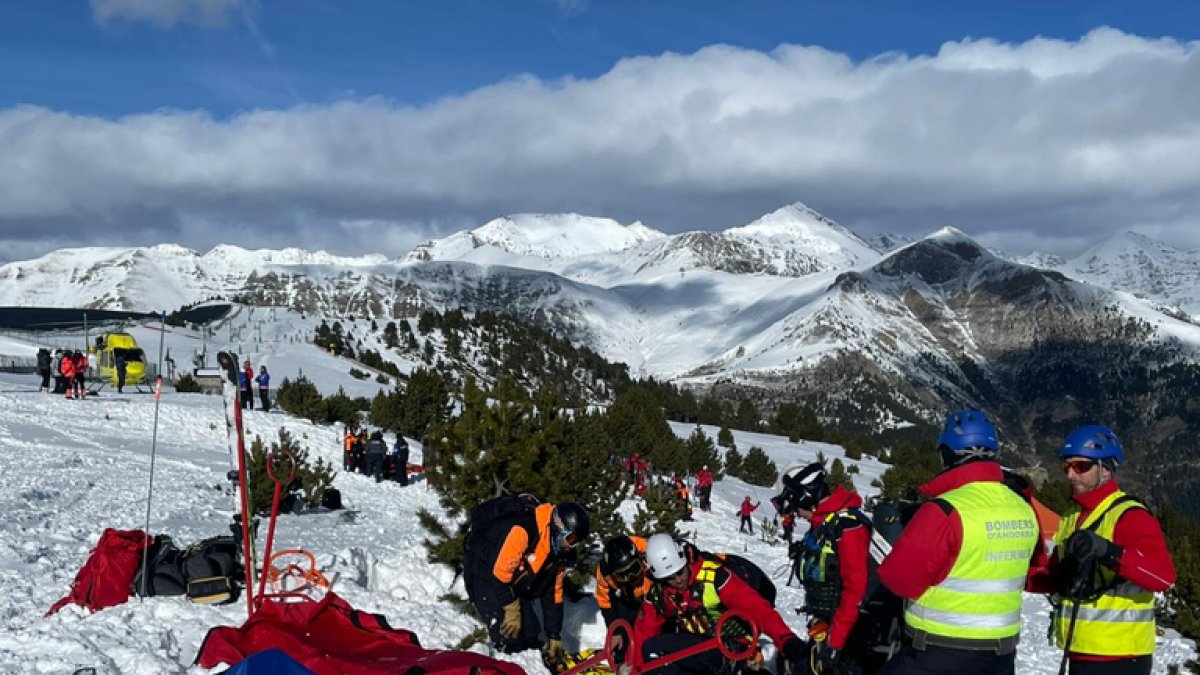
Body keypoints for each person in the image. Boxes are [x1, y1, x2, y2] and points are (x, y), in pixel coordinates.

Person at [877, 411, 1039, 675]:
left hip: (940, 653)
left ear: (947, 455)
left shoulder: (944, 511)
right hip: (1000, 657)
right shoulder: (1023, 508)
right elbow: (1033, 569)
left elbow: (899, 580)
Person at [1026, 426, 1175, 675]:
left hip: (1121, 658)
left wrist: (1109, 552)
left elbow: (1163, 577)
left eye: (1081, 466)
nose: (1071, 475)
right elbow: (1055, 579)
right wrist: (1012, 576)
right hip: (1080, 652)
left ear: (1106, 468)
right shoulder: (1072, 516)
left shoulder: (1130, 516)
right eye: (1067, 467)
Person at [630, 533, 805, 675]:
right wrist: (634, 669)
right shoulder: (660, 594)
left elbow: (757, 609)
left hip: (733, 647)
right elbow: (643, 632)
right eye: (669, 578)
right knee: (652, 652)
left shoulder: (715, 577)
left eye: (680, 572)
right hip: (699, 649)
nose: (677, 580)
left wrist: (784, 638)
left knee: (656, 650)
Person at [788, 462, 885, 674]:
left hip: (850, 635)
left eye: (795, 504)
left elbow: (855, 588)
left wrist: (836, 642)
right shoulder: (824, 525)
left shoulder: (848, 527)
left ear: (806, 497)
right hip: (828, 625)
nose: (794, 512)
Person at [463, 499, 590, 656]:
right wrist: (511, 608)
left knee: (531, 633)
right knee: (509, 638)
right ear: (559, 525)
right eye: (570, 540)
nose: (571, 547)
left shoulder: (557, 551)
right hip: (485, 573)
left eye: (576, 542)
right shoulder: (523, 530)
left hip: (511, 581)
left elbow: (553, 593)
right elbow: (500, 575)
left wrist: (553, 634)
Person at [595, 535, 653, 630]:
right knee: (623, 631)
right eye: (622, 575)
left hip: (657, 594)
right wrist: (616, 631)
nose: (631, 578)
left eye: (634, 568)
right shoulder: (605, 573)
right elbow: (604, 601)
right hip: (628, 600)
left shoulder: (650, 551)